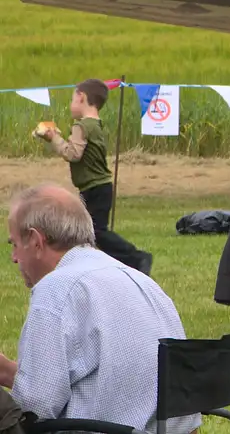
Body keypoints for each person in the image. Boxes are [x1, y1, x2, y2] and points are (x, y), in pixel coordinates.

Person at [0, 185, 195, 431]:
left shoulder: (55, 290)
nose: (14, 257)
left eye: (14, 244)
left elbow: (35, 409)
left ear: (37, 241)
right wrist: (9, 373)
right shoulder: (141, 281)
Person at [33, 79, 152, 274]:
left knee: (96, 233)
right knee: (88, 232)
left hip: (94, 188)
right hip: (99, 187)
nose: (71, 104)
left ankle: (137, 258)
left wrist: (53, 138)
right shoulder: (95, 124)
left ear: (81, 98)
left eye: (73, 99)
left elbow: (73, 154)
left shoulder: (81, 127)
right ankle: (98, 265)